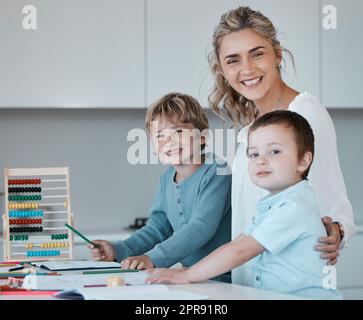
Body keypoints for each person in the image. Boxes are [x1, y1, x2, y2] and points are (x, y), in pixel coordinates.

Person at [207, 6, 356, 286]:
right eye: (233, 60)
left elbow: (335, 205)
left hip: (289, 286)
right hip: (252, 283)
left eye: (257, 53)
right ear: (223, 70)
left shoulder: (304, 114)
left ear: (277, 54)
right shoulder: (253, 127)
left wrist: (336, 229)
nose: (247, 69)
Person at [147, 110, 342, 299]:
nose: (261, 161)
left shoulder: (294, 207)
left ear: (303, 161)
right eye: (254, 154)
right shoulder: (273, 204)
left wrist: (187, 275)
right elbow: (239, 243)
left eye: (274, 151)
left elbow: (240, 251)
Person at [87, 92, 232, 282]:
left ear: (203, 137)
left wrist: (152, 258)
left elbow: (201, 227)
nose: (169, 141)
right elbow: (157, 228)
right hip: (189, 276)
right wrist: (119, 250)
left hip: (223, 278)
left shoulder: (217, 171)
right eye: (160, 136)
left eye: (179, 131)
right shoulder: (167, 177)